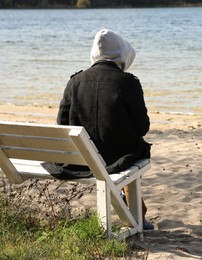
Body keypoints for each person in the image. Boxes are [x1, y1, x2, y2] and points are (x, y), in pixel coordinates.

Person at [43, 29, 154, 230]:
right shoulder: (128, 82)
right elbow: (142, 127)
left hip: (80, 160)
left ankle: (132, 208)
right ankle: (136, 214)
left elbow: (62, 123)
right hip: (116, 159)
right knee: (131, 148)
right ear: (122, 54)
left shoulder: (74, 82)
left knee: (120, 147)